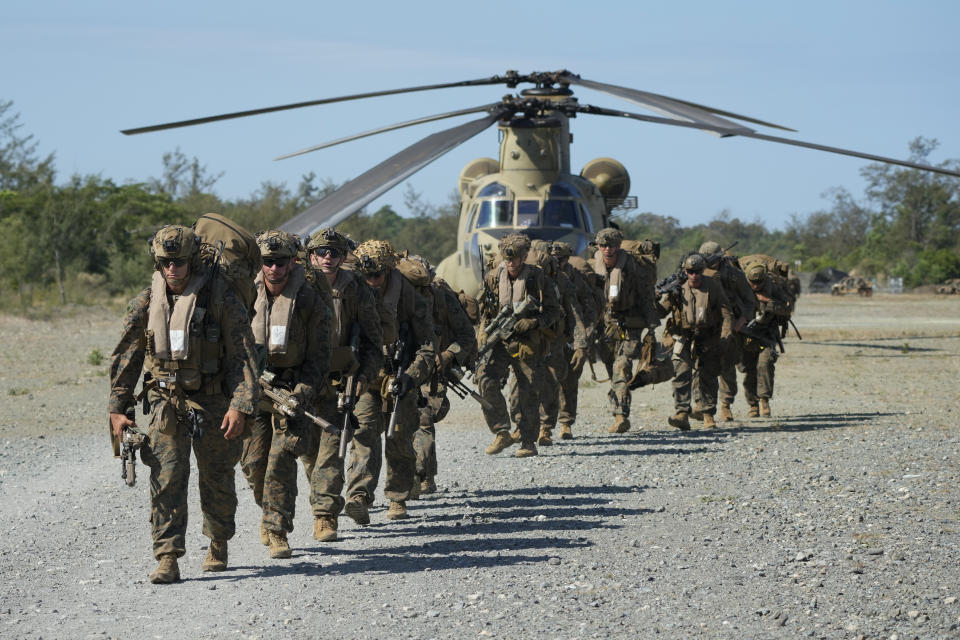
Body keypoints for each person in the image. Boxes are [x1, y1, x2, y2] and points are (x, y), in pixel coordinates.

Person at [108, 224, 259, 584]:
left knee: (217, 475)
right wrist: (117, 408)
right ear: (158, 262)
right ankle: (167, 556)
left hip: (213, 398)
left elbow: (243, 356)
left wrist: (240, 405)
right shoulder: (146, 301)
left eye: (179, 262)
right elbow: (126, 358)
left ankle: (218, 541)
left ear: (192, 260)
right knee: (166, 475)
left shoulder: (221, 298)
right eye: (165, 262)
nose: (172, 269)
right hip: (164, 399)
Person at [239, 230, 331, 559]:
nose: (275, 269)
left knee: (281, 458)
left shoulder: (308, 300)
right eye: (268, 262)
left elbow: (321, 356)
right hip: (253, 391)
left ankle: (277, 529)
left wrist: (302, 393)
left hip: (292, 392)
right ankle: (269, 510)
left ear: (293, 262)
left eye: (281, 262)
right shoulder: (244, 295)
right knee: (252, 464)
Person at [299, 228, 383, 541]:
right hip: (302, 380)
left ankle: (325, 517)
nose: (328, 258)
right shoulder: (298, 285)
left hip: (340, 380)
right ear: (310, 256)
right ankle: (323, 494)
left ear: (343, 257)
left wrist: (364, 375)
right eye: (321, 252)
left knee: (331, 448)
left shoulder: (356, 289)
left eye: (334, 252)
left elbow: (375, 343)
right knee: (309, 452)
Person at [351, 240, 435, 521]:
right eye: (366, 276)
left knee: (399, 438)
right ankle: (359, 496)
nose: (371, 281)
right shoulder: (355, 294)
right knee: (363, 432)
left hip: (400, 376)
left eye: (376, 275)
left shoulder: (409, 298)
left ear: (388, 271)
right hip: (366, 376)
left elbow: (427, 345)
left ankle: (398, 497)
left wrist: (411, 376)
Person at [396, 254, 477, 493]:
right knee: (400, 424)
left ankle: (420, 475)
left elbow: (466, 336)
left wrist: (449, 355)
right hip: (400, 368)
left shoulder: (441, 296)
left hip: (432, 372)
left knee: (423, 418)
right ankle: (415, 475)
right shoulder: (390, 296)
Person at [476, 233, 562, 457]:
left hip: (528, 342)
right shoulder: (493, 277)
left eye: (515, 259)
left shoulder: (537, 278)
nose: (511, 263)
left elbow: (554, 312)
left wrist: (533, 322)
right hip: (500, 341)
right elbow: (486, 310)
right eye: (507, 259)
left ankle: (528, 442)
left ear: (525, 256)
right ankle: (501, 431)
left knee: (528, 391)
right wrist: (483, 333)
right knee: (485, 378)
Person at [591, 228, 660, 433]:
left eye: (611, 245)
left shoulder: (633, 267)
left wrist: (651, 326)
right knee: (613, 369)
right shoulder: (594, 265)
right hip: (605, 326)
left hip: (630, 324)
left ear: (618, 246)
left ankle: (621, 415)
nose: (607, 249)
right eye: (603, 245)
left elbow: (646, 295)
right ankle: (619, 408)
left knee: (622, 366)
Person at [657, 253, 733, 430]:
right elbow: (661, 312)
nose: (694, 275)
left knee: (708, 375)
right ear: (685, 271)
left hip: (708, 337)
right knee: (681, 374)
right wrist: (655, 298)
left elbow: (725, 311)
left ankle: (707, 414)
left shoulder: (712, 286)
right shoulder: (677, 288)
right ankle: (682, 413)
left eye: (698, 271)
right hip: (684, 336)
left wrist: (726, 333)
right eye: (690, 272)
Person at [697, 241, 757, 422]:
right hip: (705, 325)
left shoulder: (734, 275)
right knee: (701, 366)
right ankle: (702, 406)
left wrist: (742, 320)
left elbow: (749, 300)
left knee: (727, 366)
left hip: (731, 326)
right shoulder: (696, 272)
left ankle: (726, 404)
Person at [550, 241, 598, 440]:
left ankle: (566, 423)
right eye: (554, 259)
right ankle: (545, 426)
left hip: (573, 338)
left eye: (560, 259)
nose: (557, 262)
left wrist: (584, 339)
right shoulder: (546, 277)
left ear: (567, 259)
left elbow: (589, 310)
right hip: (551, 338)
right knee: (549, 381)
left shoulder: (576, 279)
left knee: (569, 382)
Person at [742, 263, 792, 417]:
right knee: (749, 370)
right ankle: (753, 405)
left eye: (759, 283)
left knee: (764, 364)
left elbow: (786, 308)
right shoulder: (741, 288)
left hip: (767, 334)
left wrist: (767, 301)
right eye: (753, 283)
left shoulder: (773, 288)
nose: (756, 285)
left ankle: (764, 400)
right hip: (746, 335)